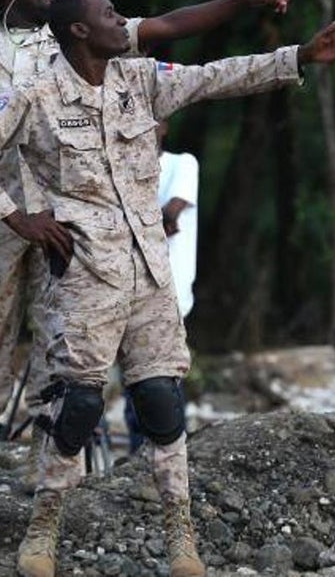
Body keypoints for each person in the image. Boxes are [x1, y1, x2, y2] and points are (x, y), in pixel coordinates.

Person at [0, 0, 335, 577]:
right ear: (79, 32)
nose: (122, 20)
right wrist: (17, 217)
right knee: (78, 403)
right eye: (109, 14)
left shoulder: (141, 81)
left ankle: (180, 532)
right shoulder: (34, 95)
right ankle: (44, 527)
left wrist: (297, 57)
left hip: (150, 275)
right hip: (87, 275)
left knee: (162, 401)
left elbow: (218, 76)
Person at [0, 0, 303, 492]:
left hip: (68, 219)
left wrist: (244, 0)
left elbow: (173, 28)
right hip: (1, 217)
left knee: (57, 334)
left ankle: (44, 452)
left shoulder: (81, 35)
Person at [126, 120, 200, 453]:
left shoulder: (182, 164)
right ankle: (140, 459)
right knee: (133, 385)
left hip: (167, 294)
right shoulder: (119, 172)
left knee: (160, 382)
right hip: (124, 292)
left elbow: (170, 217)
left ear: (164, 126)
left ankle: (167, 458)